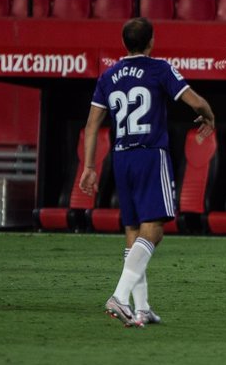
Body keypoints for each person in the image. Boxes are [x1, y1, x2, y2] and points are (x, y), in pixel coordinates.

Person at [79, 17, 215, 327]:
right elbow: (195, 101)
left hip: (121, 157)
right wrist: (210, 116)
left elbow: (91, 125)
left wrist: (89, 166)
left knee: (133, 231)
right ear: (151, 41)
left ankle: (141, 309)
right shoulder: (159, 68)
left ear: (123, 43)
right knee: (153, 230)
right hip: (150, 155)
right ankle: (119, 295)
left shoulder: (108, 76)